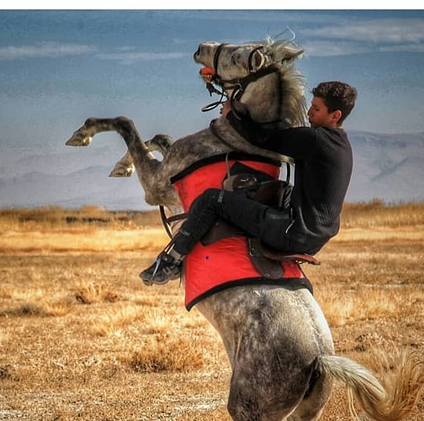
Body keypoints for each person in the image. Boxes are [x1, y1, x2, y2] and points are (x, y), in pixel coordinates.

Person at [139, 80, 357, 285]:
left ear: (335, 115)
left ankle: (171, 262)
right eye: (311, 106)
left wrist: (231, 115)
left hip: (293, 232)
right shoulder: (340, 143)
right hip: (316, 236)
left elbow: (262, 138)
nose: (309, 112)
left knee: (213, 199)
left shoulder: (315, 139)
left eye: (317, 109)